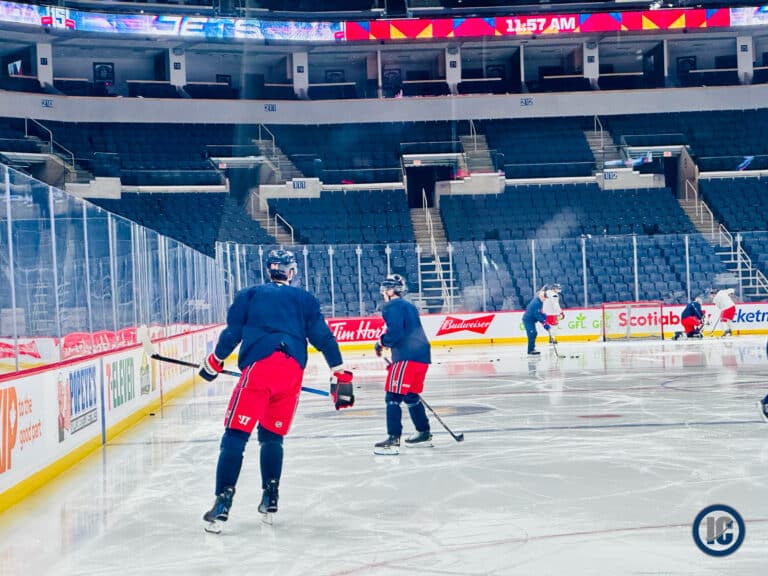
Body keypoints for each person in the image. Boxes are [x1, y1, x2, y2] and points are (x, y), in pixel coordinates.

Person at [199, 249, 354, 533]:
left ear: (268, 270)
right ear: (291, 272)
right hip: (292, 371)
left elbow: (232, 333)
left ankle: (222, 503)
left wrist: (215, 361)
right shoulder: (305, 299)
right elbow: (323, 337)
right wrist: (339, 371)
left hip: (260, 368)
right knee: (272, 436)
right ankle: (270, 496)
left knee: (235, 434)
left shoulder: (249, 295)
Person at [373, 274, 431, 455]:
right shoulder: (409, 306)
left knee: (392, 397)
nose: (383, 291)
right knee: (411, 396)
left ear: (392, 290)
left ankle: (393, 438)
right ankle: (423, 432)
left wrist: (381, 342)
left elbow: (396, 333)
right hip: (422, 356)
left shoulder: (391, 306)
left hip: (407, 357)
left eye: (386, 287)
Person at [522, 288, 550, 356]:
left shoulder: (540, 302)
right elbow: (537, 315)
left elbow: (539, 312)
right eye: (544, 298)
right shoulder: (536, 303)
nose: (545, 299)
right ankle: (530, 350)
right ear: (541, 296)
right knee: (531, 334)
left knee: (534, 333)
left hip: (531, 320)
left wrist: (544, 316)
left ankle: (532, 348)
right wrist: (544, 323)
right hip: (528, 320)